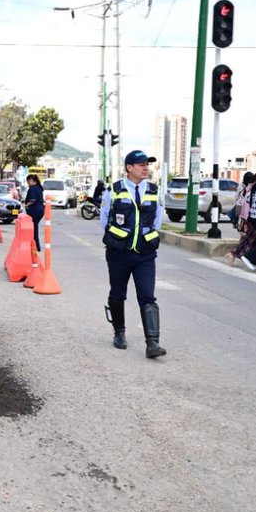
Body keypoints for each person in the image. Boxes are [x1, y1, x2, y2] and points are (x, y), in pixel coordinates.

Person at [100, 150, 166, 358]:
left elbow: (157, 219)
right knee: (118, 294)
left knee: (147, 296)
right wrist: (118, 239)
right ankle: (119, 333)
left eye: (147, 164)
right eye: (141, 164)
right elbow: (105, 218)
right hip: (119, 253)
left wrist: (146, 237)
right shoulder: (114, 190)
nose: (146, 167)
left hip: (145, 254)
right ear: (129, 167)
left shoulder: (154, 190)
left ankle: (152, 343)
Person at [225, 171, 255, 266]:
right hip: (246, 216)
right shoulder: (248, 189)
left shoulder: (242, 188)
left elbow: (237, 199)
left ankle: (238, 254)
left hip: (242, 217)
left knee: (244, 238)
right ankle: (236, 254)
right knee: (247, 238)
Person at [23, 174, 45, 252]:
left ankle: (35, 246)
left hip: (34, 211)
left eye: (28, 181)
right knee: (34, 228)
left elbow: (32, 200)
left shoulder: (32, 189)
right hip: (41, 210)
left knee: (34, 229)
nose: (27, 183)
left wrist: (26, 205)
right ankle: (35, 246)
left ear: (31, 180)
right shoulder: (39, 188)